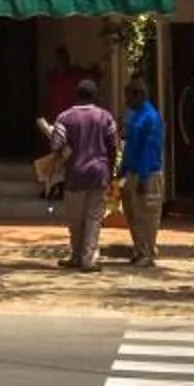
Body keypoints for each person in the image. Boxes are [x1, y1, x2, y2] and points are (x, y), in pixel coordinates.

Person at [49, 74, 119, 271]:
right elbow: (114, 146)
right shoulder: (105, 117)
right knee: (93, 217)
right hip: (99, 173)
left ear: (76, 95)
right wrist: (112, 169)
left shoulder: (64, 117)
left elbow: (56, 145)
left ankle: (76, 255)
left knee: (75, 219)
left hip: (75, 174)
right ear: (95, 96)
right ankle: (88, 258)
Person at [117, 78, 165, 265]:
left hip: (148, 174)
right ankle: (139, 249)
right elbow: (130, 145)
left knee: (147, 216)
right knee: (133, 214)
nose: (126, 101)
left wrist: (144, 177)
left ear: (138, 95)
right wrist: (123, 169)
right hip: (133, 171)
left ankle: (146, 252)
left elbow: (150, 149)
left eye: (128, 96)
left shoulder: (150, 118)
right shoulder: (135, 116)